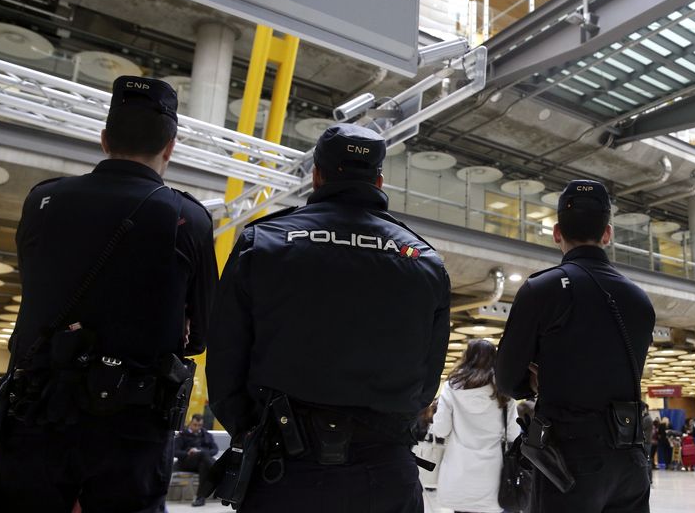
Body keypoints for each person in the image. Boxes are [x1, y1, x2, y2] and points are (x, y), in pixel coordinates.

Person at [0, 76, 216, 512]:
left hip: (36, 411)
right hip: (131, 430)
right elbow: (200, 335)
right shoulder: (188, 218)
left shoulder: (43, 200)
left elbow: (36, 284)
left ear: (105, 139)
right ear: (170, 147)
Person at [207, 123, 451, 512]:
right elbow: (428, 378)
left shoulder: (263, 242)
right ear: (379, 180)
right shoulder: (425, 260)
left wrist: (254, 432)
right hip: (386, 473)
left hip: (283, 468)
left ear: (316, 175)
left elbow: (224, 362)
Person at [496, 179, 656, 513]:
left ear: (557, 233)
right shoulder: (640, 300)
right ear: (607, 234)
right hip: (631, 458)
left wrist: (534, 383)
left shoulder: (542, 290)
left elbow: (507, 380)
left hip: (567, 461)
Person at [431, 340, 518, 513]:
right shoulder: (503, 390)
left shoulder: (452, 387)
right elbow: (513, 434)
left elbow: (441, 429)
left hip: (458, 471)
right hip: (493, 476)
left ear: (467, 357)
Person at [174, 414, 220, 507]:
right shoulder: (182, 435)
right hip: (186, 462)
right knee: (203, 454)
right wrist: (188, 453)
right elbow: (175, 451)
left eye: (199, 425)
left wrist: (202, 452)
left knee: (203, 465)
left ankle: (200, 498)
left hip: (202, 463)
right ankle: (219, 473)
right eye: (195, 425)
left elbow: (215, 449)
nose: (197, 427)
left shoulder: (206, 435)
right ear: (190, 423)